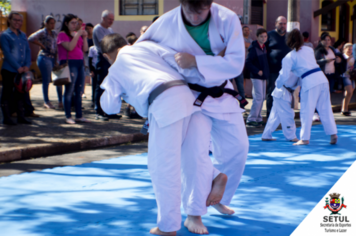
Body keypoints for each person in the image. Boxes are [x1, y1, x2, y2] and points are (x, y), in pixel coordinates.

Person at [137, 0, 249, 234]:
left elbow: (236, 64)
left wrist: (196, 60)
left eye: (202, 11)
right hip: (189, 95)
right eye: (191, 11)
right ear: (181, 3)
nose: (196, 18)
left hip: (221, 92)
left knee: (238, 148)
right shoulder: (167, 22)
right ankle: (193, 214)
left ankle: (216, 197)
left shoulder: (227, 19)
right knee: (195, 155)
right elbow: (139, 52)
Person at [100, 33, 227, 236]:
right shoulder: (147, 47)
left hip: (164, 103)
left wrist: (116, 87)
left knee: (163, 166)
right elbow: (179, 62)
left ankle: (168, 227)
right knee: (193, 157)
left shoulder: (115, 69)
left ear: (107, 55)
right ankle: (214, 178)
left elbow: (110, 107)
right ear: (127, 43)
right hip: (189, 98)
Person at [276, 29, 338, 146]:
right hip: (322, 78)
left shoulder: (289, 57)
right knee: (325, 108)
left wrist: (277, 85)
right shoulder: (309, 50)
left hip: (310, 82)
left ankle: (304, 139)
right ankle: (333, 133)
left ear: (288, 41)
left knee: (306, 111)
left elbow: (283, 76)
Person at [57, 14, 89, 124]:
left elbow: (85, 48)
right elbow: (69, 47)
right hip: (70, 63)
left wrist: (84, 37)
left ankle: (79, 115)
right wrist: (78, 34)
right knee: (69, 90)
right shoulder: (62, 34)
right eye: (73, 22)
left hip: (80, 63)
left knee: (79, 90)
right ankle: (68, 116)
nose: (75, 25)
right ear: (66, 23)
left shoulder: (76, 34)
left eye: (76, 23)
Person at [0, 12, 32, 125]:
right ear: (9, 20)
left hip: (22, 70)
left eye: (20, 20)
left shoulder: (23, 35)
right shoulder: (5, 35)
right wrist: (17, 67)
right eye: (15, 20)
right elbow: (7, 54)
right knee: (7, 94)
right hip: (9, 69)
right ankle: (7, 118)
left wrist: (27, 65)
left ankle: (21, 116)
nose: (18, 22)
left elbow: (28, 50)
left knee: (21, 93)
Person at [29, 15, 62, 109]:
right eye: (51, 23)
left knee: (58, 80)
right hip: (44, 57)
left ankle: (60, 101)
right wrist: (41, 45)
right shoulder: (42, 32)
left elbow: (56, 47)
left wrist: (56, 60)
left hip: (53, 58)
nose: (53, 25)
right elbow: (31, 38)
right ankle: (46, 101)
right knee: (46, 80)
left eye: (54, 23)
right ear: (46, 23)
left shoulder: (55, 33)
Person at [261, 72, 300, 142]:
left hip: (281, 93)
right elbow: (278, 81)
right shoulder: (291, 66)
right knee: (288, 115)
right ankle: (291, 136)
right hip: (283, 94)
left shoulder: (297, 67)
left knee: (275, 116)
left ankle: (266, 135)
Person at [265, 16, 291, 119]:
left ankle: (283, 115)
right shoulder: (269, 35)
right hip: (272, 70)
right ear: (276, 23)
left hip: (287, 71)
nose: (283, 26)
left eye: (284, 24)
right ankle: (270, 115)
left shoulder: (289, 36)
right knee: (272, 93)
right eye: (281, 23)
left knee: (286, 94)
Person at [93, 10, 115, 121]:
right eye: (109, 19)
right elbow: (106, 44)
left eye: (113, 19)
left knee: (110, 86)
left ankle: (109, 111)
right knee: (101, 86)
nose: (111, 21)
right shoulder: (98, 29)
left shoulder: (110, 29)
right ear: (103, 18)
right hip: (102, 59)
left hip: (110, 59)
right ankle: (98, 111)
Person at [245, 28, 269, 127]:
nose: (263, 38)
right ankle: (251, 118)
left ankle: (258, 118)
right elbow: (248, 62)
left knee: (262, 97)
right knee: (258, 97)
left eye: (265, 37)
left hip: (263, 76)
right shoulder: (254, 48)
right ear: (257, 37)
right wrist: (257, 71)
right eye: (261, 36)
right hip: (256, 76)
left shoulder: (264, 47)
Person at [341, 43, 355, 116]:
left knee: (349, 92)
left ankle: (345, 109)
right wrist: (348, 59)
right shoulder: (343, 56)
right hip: (345, 75)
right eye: (349, 49)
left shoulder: (352, 56)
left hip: (351, 76)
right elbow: (342, 64)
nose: (350, 51)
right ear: (345, 49)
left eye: (351, 49)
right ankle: (344, 109)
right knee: (349, 91)